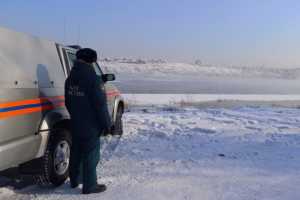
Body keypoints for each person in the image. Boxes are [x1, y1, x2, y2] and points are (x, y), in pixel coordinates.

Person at [65, 48, 111, 194]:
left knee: (76, 151)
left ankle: (74, 180)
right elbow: (100, 105)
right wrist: (106, 124)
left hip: (76, 121)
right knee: (91, 154)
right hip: (91, 124)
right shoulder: (93, 79)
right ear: (92, 61)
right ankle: (90, 185)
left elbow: (68, 101)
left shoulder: (70, 78)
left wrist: (76, 115)